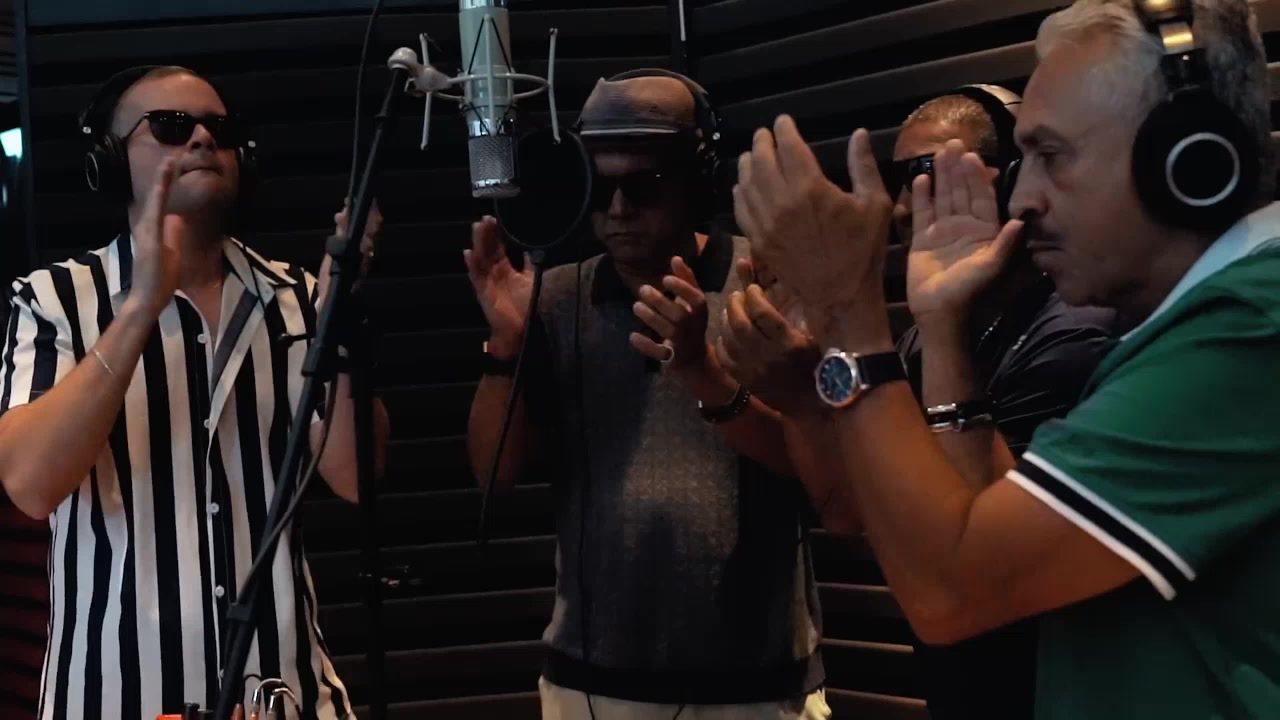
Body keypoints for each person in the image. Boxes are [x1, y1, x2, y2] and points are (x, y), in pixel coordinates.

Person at [733, 0, 1280, 717]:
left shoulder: (1248, 330)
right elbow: (979, 526)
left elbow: (951, 594)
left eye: (1052, 157)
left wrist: (847, 311)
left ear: (1185, 156)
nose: (1021, 201)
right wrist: (944, 326)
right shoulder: (1203, 324)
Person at [0, 66, 390, 720]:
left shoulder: (295, 298)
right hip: (112, 696)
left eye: (220, 129)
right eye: (172, 126)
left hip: (284, 693)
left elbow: (357, 478)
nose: (203, 139)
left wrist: (339, 326)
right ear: (109, 159)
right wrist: (141, 306)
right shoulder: (55, 300)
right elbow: (31, 484)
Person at [721, 90, 1113, 719]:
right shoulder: (920, 340)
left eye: (928, 174)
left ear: (1012, 179)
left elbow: (976, 569)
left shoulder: (1070, 335)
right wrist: (800, 393)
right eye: (900, 180)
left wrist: (855, 316)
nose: (905, 205)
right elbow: (847, 509)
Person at [465, 72, 829, 719]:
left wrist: (702, 370)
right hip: (594, 682)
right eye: (600, 189)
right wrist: (507, 347)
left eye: (644, 186)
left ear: (697, 182)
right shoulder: (557, 297)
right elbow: (494, 477)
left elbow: (818, 472)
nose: (618, 209)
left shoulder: (765, 281)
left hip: (758, 681)